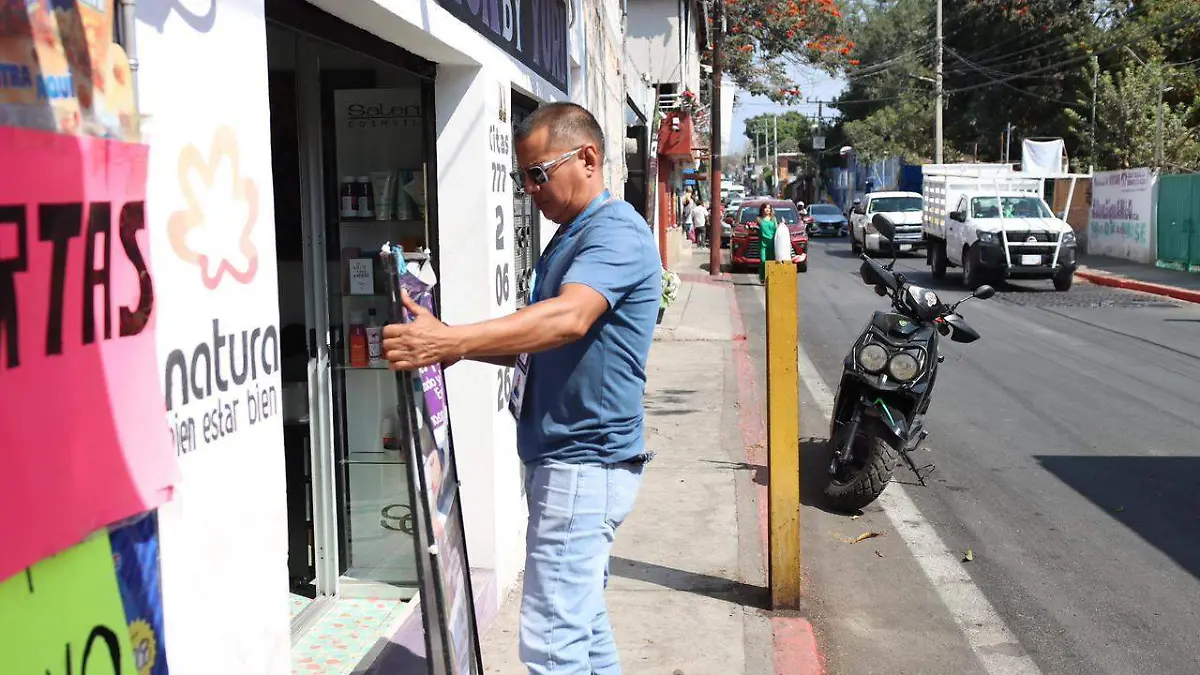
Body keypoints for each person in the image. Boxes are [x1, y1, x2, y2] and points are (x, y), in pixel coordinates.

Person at [381, 102, 661, 675]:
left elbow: (568, 319)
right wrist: (454, 345)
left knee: (552, 643)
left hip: (585, 461)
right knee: (582, 631)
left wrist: (452, 342)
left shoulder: (615, 233)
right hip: (567, 459)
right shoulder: (572, 235)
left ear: (587, 158)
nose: (529, 189)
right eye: (522, 177)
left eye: (538, 173)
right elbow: (540, 341)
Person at [757, 202, 779, 283]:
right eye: (766, 208)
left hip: (772, 243)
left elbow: (777, 228)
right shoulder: (759, 219)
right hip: (763, 243)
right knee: (763, 261)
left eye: (769, 208)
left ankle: (770, 278)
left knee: (771, 261)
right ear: (762, 209)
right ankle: (762, 277)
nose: (767, 209)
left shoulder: (773, 219)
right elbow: (754, 227)